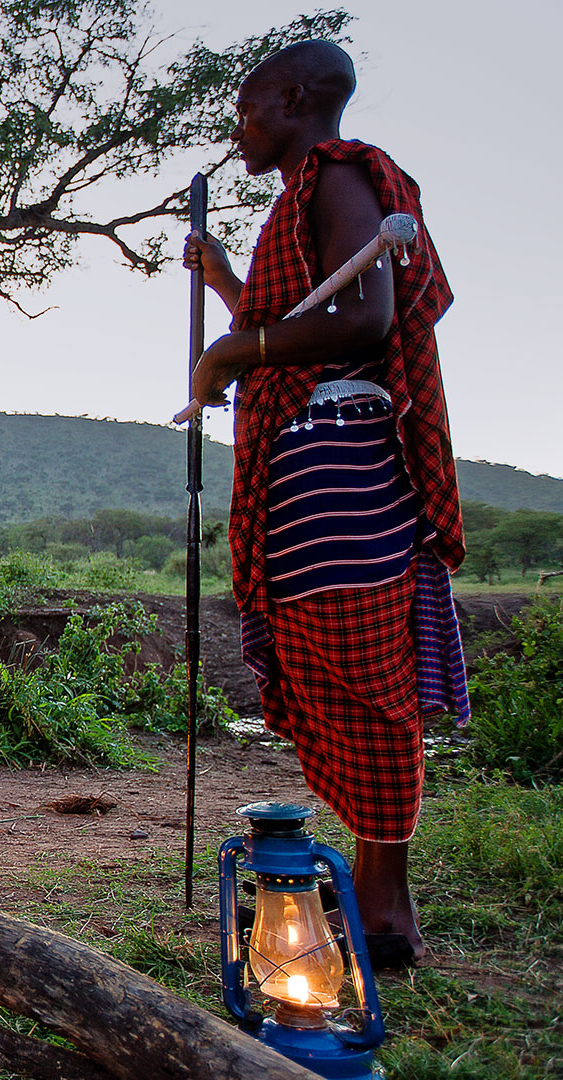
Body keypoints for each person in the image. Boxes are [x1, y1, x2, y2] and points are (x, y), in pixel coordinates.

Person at [180, 40, 464, 969]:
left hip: (338, 463)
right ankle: (380, 905)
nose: (240, 126)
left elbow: (365, 318)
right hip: (306, 468)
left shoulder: (339, 175)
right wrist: (225, 279)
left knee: (363, 668)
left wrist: (230, 354)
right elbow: (304, 312)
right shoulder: (300, 201)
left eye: (249, 108)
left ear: (297, 99)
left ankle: (385, 914)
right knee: (326, 664)